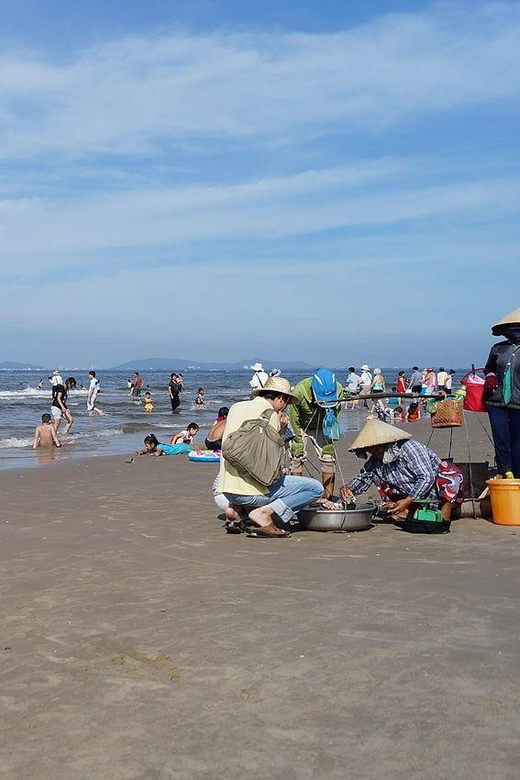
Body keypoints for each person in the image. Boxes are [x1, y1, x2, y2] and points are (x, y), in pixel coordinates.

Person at [218, 376, 329, 538]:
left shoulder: (236, 407)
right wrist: (281, 431)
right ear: (280, 398)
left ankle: (235, 509)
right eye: (285, 402)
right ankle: (264, 513)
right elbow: (274, 464)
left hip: (227, 490)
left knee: (245, 465)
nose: (283, 408)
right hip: (253, 494)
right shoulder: (272, 417)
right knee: (315, 488)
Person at [340, 419, 464, 533]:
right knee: (375, 476)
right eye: (371, 450)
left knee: (449, 475)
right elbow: (362, 479)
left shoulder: (410, 448)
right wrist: (347, 488)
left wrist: (408, 500)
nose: (374, 452)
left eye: (377, 448)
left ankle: (444, 517)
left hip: (435, 492)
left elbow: (427, 477)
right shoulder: (375, 461)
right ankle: (408, 512)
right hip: (410, 497)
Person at [287, 368, 343, 500]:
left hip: (324, 425)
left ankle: (327, 498)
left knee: (329, 458)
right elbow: (293, 418)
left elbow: (335, 416)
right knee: (297, 458)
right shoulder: (299, 391)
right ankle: (297, 498)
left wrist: (330, 440)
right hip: (301, 425)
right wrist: (297, 441)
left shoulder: (338, 389)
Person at [484, 307, 520, 478]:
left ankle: (517, 474)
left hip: (518, 403)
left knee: (517, 442)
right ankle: (505, 471)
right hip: (496, 402)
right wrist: (490, 375)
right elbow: (489, 367)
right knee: (501, 439)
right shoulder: (498, 348)